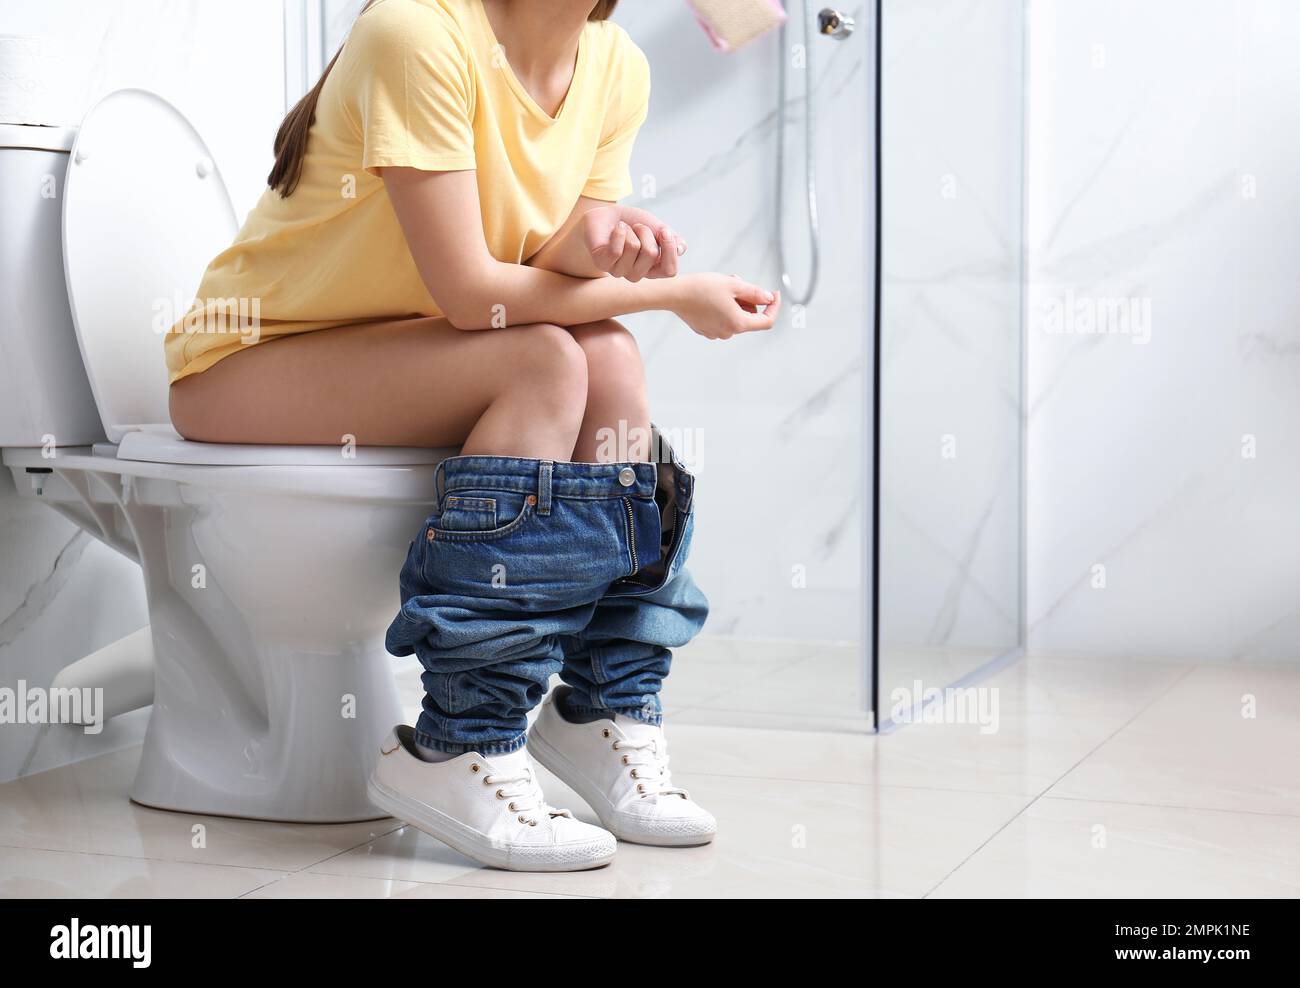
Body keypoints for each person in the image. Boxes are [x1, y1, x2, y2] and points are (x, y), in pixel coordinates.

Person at [166, 0, 780, 872]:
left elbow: (545, 263)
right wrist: (676, 294)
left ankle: (602, 707)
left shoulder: (613, 66)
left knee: (605, 354)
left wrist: (597, 241)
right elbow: (471, 294)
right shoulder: (419, 32)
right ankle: (461, 742)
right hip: (250, 360)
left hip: (404, 349)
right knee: (543, 365)